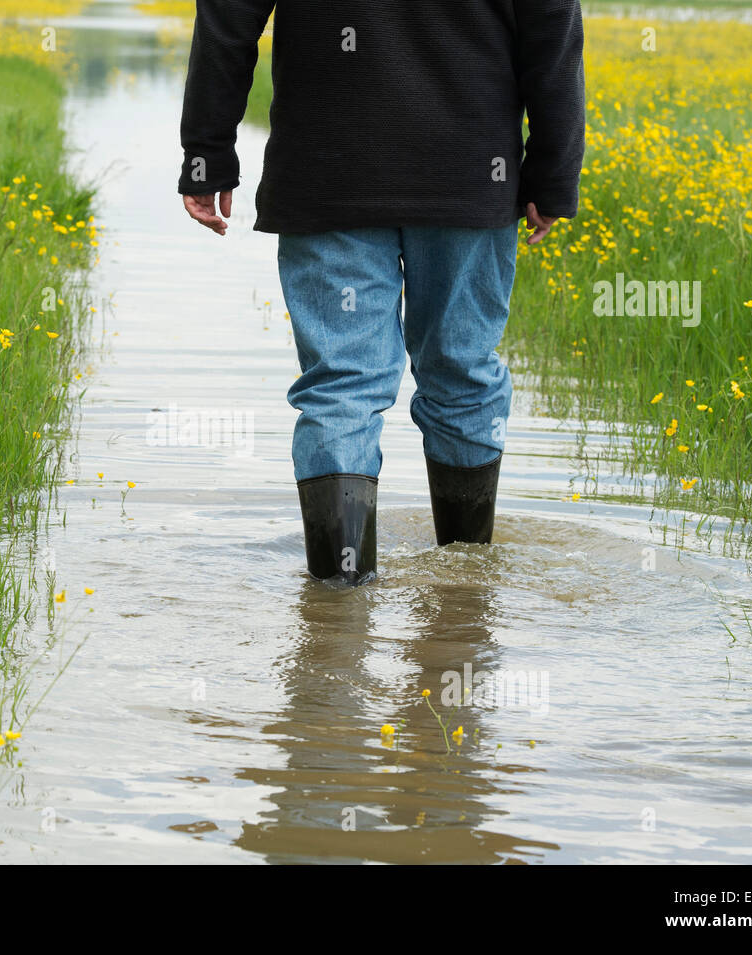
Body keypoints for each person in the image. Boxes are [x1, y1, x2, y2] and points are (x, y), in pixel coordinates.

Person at [178, 0, 585, 585]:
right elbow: (553, 28)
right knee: (463, 375)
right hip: (468, 172)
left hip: (326, 171)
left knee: (342, 385)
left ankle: (336, 610)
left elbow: (226, 20)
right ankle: (463, 598)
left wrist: (207, 152)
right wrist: (553, 170)